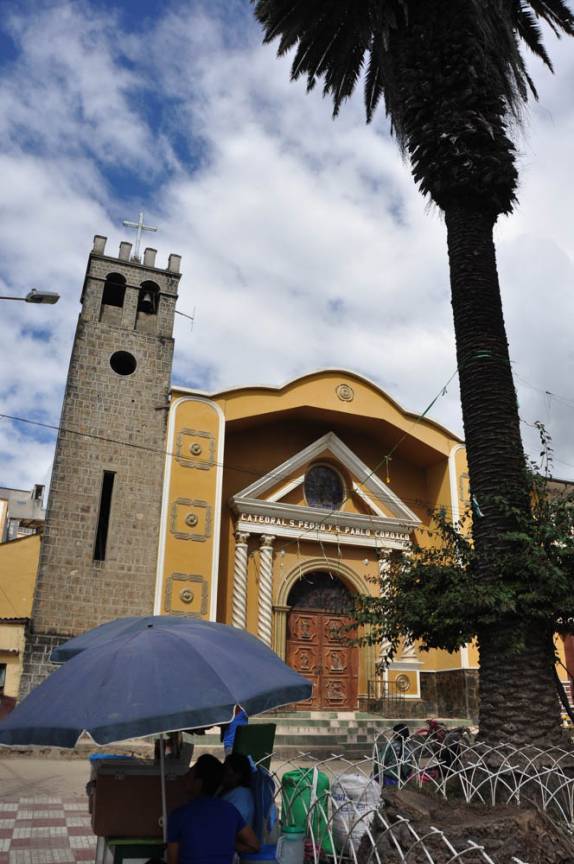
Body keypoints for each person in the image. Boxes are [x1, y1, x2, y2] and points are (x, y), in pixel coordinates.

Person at [167, 754, 259, 864]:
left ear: (199, 783)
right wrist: (224, 842)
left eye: (190, 774)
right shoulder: (231, 811)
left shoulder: (178, 816)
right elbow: (253, 845)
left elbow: (172, 861)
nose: (184, 777)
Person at [220, 753, 255, 826]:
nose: (222, 773)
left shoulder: (240, 799)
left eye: (226, 769)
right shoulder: (232, 791)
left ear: (238, 775)